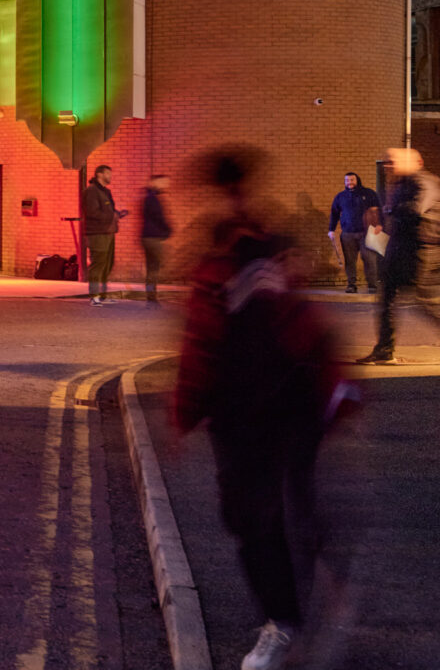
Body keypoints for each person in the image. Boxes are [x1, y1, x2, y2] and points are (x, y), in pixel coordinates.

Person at [172, 144, 356, 670]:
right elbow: (303, 322)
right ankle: (309, 597)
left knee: (255, 517)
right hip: (287, 400)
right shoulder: (267, 243)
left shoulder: (229, 254)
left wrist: (184, 414)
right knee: (284, 507)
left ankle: (285, 620)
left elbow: (202, 342)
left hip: (250, 407)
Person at [364, 147, 440, 365]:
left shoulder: (426, 182)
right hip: (400, 249)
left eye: (393, 161)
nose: (389, 165)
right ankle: (384, 350)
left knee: (426, 301)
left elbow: (417, 209)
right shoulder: (401, 184)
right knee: (386, 298)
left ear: (416, 162)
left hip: (424, 251)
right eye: (387, 162)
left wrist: (389, 209)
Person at [327, 171, 381, 293]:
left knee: (370, 260)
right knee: (350, 261)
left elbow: (379, 209)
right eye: (347, 180)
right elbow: (334, 214)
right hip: (347, 234)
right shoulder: (340, 197)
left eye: (352, 180)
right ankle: (351, 285)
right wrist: (331, 230)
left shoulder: (368, 193)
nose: (349, 182)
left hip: (367, 233)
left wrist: (379, 225)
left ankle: (372, 286)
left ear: (357, 180)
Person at [81, 165, 121, 303]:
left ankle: (103, 296)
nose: (110, 176)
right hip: (97, 233)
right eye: (108, 173)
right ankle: (94, 296)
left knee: (107, 265)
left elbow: (107, 211)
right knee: (98, 264)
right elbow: (92, 212)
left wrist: (117, 214)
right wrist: (111, 216)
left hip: (109, 232)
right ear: (99, 174)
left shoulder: (106, 192)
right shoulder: (92, 191)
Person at [139, 173, 173, 303]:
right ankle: (151, 296)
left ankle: (151, 295)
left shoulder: (150, 197)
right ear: (155, 182)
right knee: (154, 268)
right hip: (153, 237)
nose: (166, 185)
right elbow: (158, 217)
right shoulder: (151, 198)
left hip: (149, 236)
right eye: (164, 182)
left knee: (152, 268)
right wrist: (168, 230)